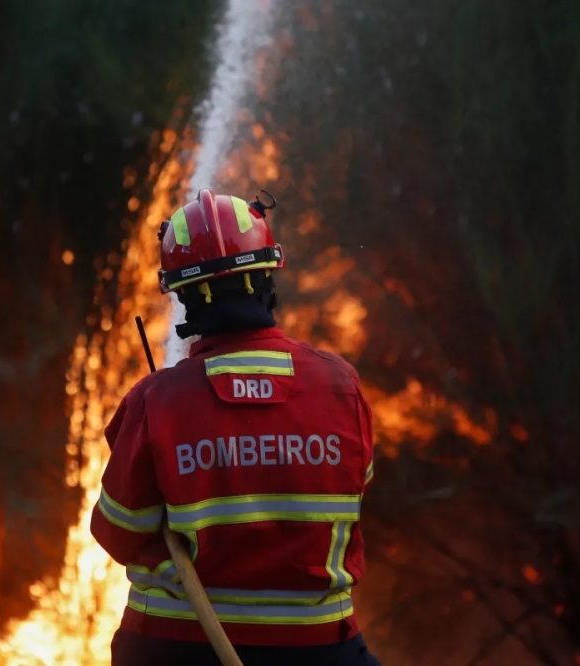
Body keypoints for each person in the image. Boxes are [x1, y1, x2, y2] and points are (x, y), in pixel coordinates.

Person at [91, 188, 382, 666]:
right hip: (320, 647)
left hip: (175, 647)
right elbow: (354, 492)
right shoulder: (341, 386)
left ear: (183, 296)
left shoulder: (157, 401)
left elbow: (119, 531)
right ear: (268, 273)